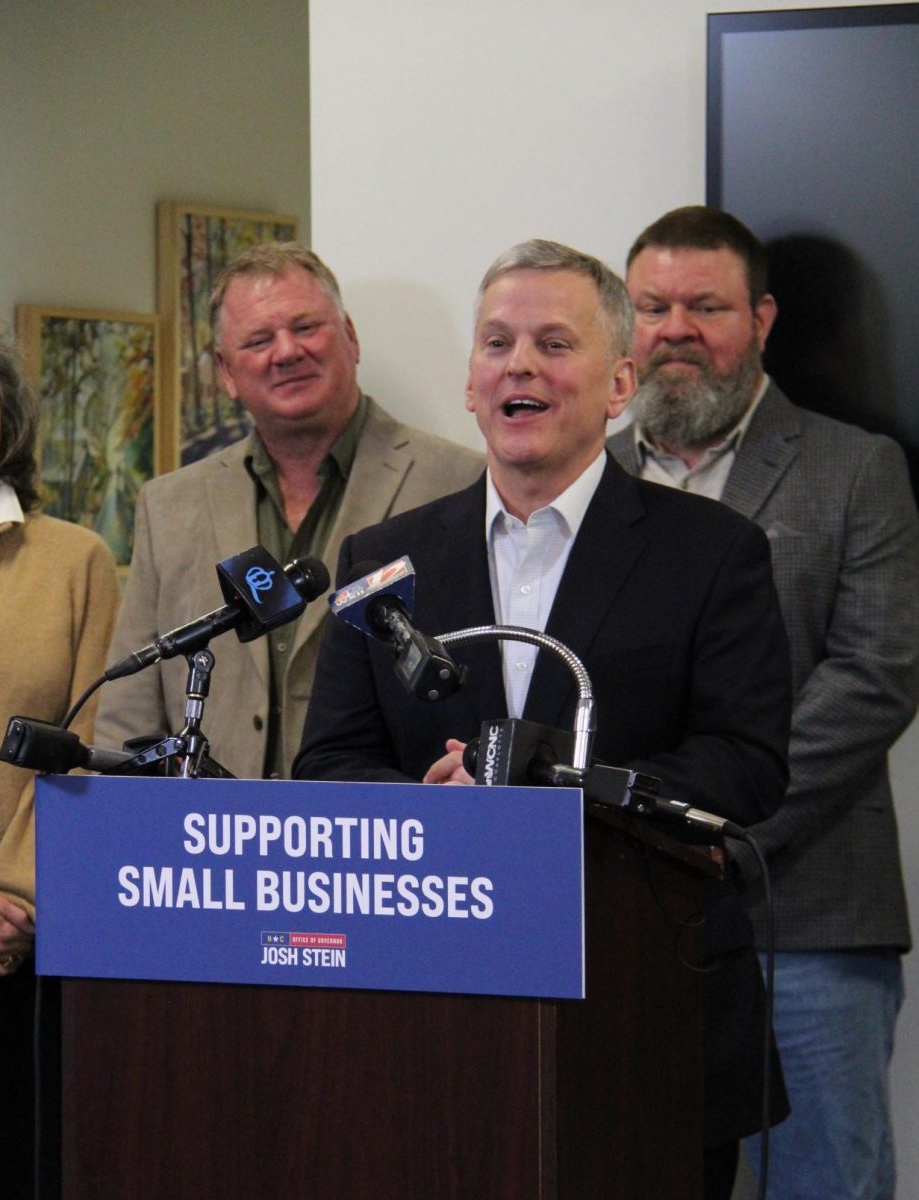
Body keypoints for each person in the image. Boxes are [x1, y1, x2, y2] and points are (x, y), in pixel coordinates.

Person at [294, 239, 792, 1198]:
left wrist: (553, 801)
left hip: (647, 1002)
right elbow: (330, 761)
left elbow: (746, 763)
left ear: (617, 385)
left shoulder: (711, 551)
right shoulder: (385, 556)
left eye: (552, 343)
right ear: (472, 386)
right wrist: (421, 807)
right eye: (497, 345)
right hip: (435, 1011)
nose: (518, 365)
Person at [612, 205, 919, 1199]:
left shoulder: (856, 467)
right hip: (624, 910)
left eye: (708, 306)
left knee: (825, 1182)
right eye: (653, 306)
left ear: (763, 320)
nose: (677, 328)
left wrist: (723, 827)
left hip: (811, 914)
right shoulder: (590, 477)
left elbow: (875, 679)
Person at [94, 243, 482, 778]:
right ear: (226, 372)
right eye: (258, 340)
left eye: (305, 327)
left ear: (351, 337)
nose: (286, 352)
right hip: (208, 845)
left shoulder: (458, 481)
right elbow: (128, 713)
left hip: (385, 838)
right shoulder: (169, 506)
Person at [0, 313, 120, 1198]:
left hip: (40, 934)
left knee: (41, 1165)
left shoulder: (79, 562)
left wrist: (9, 902)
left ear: (7, 425)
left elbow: (94, 749)